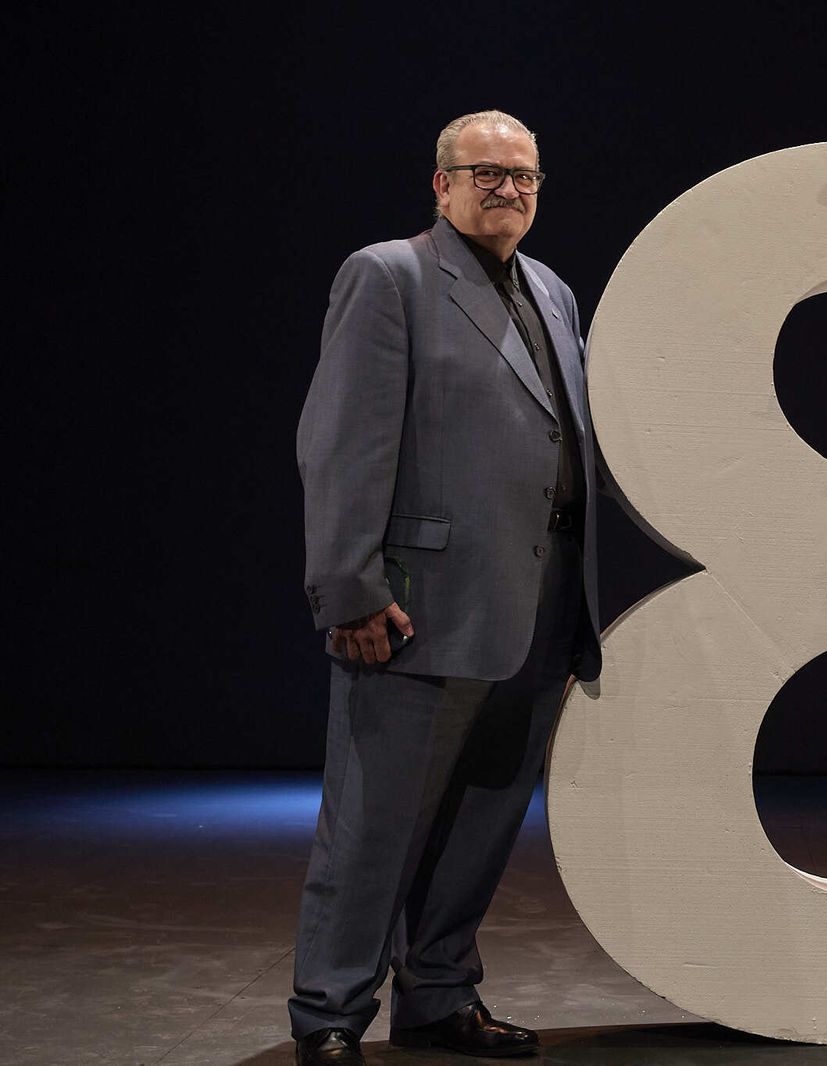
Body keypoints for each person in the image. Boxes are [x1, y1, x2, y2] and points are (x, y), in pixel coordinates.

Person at [290, 109, 603, 1065]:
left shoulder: (552, 289)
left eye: (525, 177)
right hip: (420, 605)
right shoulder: (389, 276)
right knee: (375, 824)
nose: (508, 190)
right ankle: (330, 1012)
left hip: (539, 603)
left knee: (482, 823)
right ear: (442, 184)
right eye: (487, 173)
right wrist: (347, 588)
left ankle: (436, 995)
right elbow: (341, 443)